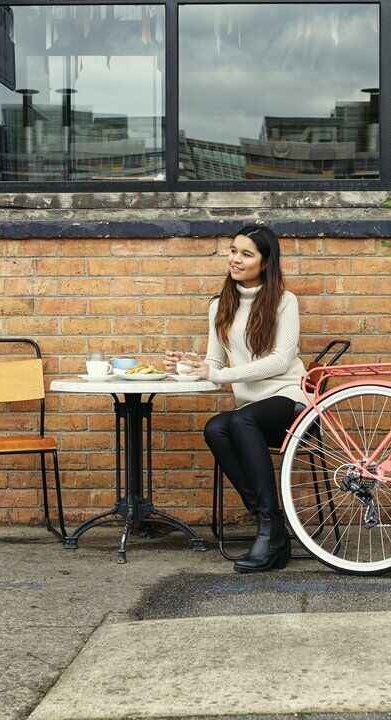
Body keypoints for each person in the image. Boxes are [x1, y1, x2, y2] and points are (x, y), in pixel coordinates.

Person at [165, 225, 306, 573]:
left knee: (241, 421)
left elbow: (280, 361)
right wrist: (189, 365)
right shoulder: (219, 305)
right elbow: (215, 363)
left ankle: (269, 531)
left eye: (246, 254)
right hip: (252, 413)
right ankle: (270, 522)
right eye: (232, 251)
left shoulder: (285, 301)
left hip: (290, 398)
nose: (235, 259)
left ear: (265, 262)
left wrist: (217, 373)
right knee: (216, 428)